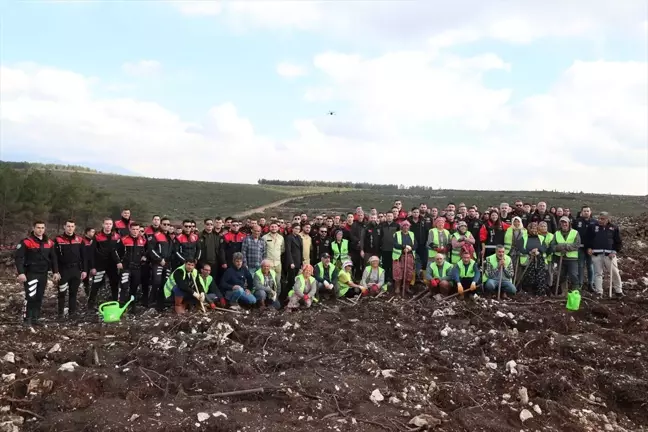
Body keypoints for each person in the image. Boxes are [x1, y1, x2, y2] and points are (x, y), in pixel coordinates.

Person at [14, 221, 59, 326]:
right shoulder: (26, 242)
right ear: (33, 228)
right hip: (31, 273)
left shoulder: (49, 242)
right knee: (31, 296)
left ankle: (35, 318)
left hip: (43, 273)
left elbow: (53, 258)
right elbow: (19, 258)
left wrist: (55, 271)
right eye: (38, 227)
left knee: (39, 296)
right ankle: (27, 319)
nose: (40, 230)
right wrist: (21, 273)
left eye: (42, 227)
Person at [54, 219, 87, 320]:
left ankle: (72, 313)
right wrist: (56, 271)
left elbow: (84, 256)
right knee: (62, 292)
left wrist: (84, 270)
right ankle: (60, 314)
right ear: (64, 227)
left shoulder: (79, 239)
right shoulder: (58, 240)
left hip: (76, 270)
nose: (70, 228)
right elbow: (54, 257)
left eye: (72, 226)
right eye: (68, 226)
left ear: (75, 227)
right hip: (63, 270)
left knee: (73, 292)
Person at [586, 212, 623, 298]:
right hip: (596, 254)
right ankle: (599, 292)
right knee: (598, 273)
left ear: (608, 219)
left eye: (602, 219)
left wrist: (614, 251)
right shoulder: (592, 227)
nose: (600, 220)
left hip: (609, 254)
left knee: (614, 272)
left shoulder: (614, 228)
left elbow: (618, 242)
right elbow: (587, 239)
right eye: (599, 218)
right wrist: (588, 248)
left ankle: (618, 291)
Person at [88, 218, 122, 310]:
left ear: (112, 225)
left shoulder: (117, 236)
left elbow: (120, 251)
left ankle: (115, 303)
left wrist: (119, 262)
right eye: (106, 224)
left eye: (110, 224)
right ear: (103, 225)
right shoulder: (97, 236)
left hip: (112, 265)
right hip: (100, 264)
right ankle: (90, 304)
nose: (108, 226)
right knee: (96, 284)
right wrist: (92, 267)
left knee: (114, 284)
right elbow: (91, 253)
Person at [117, 222, 148, 309]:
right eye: (133, 229)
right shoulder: (123, 239)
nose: (135, 231)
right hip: (126, 267)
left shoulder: (142, 240)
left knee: (134, 287)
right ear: (130, 229)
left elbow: (146, 250)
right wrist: (118, 262)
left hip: (137, 268)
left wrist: (144, 256)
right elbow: (115, 251)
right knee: (124, 286)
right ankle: (121, 306)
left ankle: (132, 305)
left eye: (137, 229)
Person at [148, 217, 173, 310]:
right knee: (156, 282)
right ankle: (151, 301)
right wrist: (159, 260)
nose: (166, 226)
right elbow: (151, 250)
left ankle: (161, 302)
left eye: (168, 224)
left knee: (165, 283)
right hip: (158, 263)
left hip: (167, 263)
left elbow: (170, 251)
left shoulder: (169, 237)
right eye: (164, 224)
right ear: (161, 225)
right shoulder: (156, 235)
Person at [517, 222, 549, 295]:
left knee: (540, 276)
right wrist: (529, 252)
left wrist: (538, 251)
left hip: (539, 260)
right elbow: (521, 248)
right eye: (532, 228)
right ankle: (528, 292)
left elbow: (544, 248)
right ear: (529, 229)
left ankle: (540, 293)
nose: (534, 230)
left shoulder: (541, 237)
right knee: (529, 277)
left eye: (535, 228)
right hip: (527, 260)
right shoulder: (524, 237)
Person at [551, 216, 581, 294]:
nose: (564, 224)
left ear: (569, 223)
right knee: (561, 275)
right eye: (562, 222)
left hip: (572, 258)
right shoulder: (556, 233)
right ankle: (564, 292)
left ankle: (575, 292)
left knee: (573, 274)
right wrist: (559, 248)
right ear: (560, 224)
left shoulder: (575, 232)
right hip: (560, 258)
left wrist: (565, 247)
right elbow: (552, 246)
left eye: (565, 222)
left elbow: (577, 244)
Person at [573, 206, 596, 292]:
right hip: (580, 247)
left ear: (590, 212)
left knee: (590, 266)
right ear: (581, 212)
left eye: (587, 211)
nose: (586, 212)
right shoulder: (577, 221)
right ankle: (580, 283)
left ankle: (591, 283)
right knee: (580, 266)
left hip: (590, 249)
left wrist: (593, 247)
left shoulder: (594, 222)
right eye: (584, 211)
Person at [392, 220, 416, 296]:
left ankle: (407, 287)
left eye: (407, 226)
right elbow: (395, 244)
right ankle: (397, 288)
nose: (406, 227)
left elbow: (416, 245)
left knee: (409, 272)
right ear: (401, 227)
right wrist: (404, 247)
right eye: (404, 225)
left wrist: (410, 248)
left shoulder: (412, 234)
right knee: (398, 272)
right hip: (399, 257)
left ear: (409, 227)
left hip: (409, 256)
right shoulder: (397, 234)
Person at [408, 208, 430, 280]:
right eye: (414, 212)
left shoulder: (423, 221)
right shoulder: (408, 221)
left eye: (417, 212)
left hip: (422, 244)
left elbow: (427, 232)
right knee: (413, 262)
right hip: (412, 245)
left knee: (424, 261)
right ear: (411, 213)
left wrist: (427, 241)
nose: (416, 213)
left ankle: (424, 278)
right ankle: (413, 279)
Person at [379, 211, 399, 281]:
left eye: (391, 216)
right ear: (386, 217)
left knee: (393, 265)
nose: (389, 217)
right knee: (385, 265)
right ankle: (385, 279)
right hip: (384, 248)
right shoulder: (382, 225)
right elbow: (380, 236)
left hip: (393, 249)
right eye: (388, 216)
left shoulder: (397, 225)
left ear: (393, 217)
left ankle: (392, 279)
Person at [285, 223, 304, 297]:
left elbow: (301, 250)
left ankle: (295, 295)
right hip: (292, 263)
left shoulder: (299, 237)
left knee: (296, 280)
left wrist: (302, 261)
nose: (297, 230)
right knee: (291, 281)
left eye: (298, 229)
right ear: (292, 229)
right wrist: (291, 262)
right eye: (296, 228)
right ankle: (288, 296)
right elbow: (288, 251)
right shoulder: (289, 237)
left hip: (298, 261)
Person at [81, 227, 95, 296]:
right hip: (84, 262)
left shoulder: (93, 241)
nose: (93, 233)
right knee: (85, 278)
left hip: (93, 261)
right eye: (92, 232)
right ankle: (87, 292)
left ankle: (93, 292)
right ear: (87, 232)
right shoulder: (82, 241)